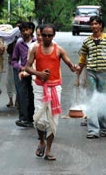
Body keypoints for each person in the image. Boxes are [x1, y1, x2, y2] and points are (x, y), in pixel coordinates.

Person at [25, 23, 79, 161]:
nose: (47, 38)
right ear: (40, 35)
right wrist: (39, 73)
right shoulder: (35, 49)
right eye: (44, 35)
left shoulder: (59, 50)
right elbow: (27, 67)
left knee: (53, 120)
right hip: (39, 87)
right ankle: (42, 141)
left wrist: (74, 67)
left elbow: (70, 65)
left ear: (54, 35)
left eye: (50, 35)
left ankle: (48, 149)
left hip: (55, 88)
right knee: (38, 119)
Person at [78, 16, 106, 139]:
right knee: (91, 99)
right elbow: (82, 59)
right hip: (90, 72)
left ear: (101, 25)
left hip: (103, 73)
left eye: (96, 24)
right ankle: (93, 130)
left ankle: (103, 127)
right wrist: (78, 74)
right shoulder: (87, 41)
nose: (94, 26)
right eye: (92, 24)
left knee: (102, 99)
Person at [12, 21, 36, 127]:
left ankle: (33, 117)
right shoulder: (19, 43)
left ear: (31, 30)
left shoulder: (36, 42)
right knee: (22, 95)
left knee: (33, 95)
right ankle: (23, 118)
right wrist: (20, 67)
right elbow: (14, 60)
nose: (25, 32)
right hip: (23, 72)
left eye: (27, 30)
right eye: (23, 31)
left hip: (34, 72)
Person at [6, 20, 22, 108]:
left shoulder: (24, 39)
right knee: (9, 81)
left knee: (18, 82)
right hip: (11, 62)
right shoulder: (11, 38)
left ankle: (18, 100)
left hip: (21, 64)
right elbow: (8, 50)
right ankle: (11, 99)